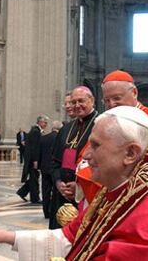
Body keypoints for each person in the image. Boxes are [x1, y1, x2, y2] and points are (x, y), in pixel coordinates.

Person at [0, 106, 148, 260]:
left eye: (95, 146)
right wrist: (2, 236)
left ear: (131, 153)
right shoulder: (119, 191)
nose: (85, 155)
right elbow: (68, 237)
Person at [48, 86, 98, 229]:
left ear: (92, 100)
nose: (77, 106)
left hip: (86, 193)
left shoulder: (101, 125)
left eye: (81, 101)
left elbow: (103, 165)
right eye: (73, 102)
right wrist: (58, 183)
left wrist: (80, 187)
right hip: (61, 193)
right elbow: (54, 162)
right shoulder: (66, 128)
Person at [17, 115, 48, 203]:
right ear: (40, 122)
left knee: (33, 178)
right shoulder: (35, 131)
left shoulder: (36, 131)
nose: (46, 124)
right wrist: (35, 160)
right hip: (33, 160)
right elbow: (34, 147)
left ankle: (22, 192)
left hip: (33, 159)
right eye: (45, 122)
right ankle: (35, 198)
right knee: (34, 179)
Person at [38, 120, 62, 219]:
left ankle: (45, 211)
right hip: (55, 169)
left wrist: (39, 166)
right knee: (56, 191)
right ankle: (54, 211)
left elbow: (39, 154)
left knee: (45, 190)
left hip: (44, 168)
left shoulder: (43, 138)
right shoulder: (60, 139)